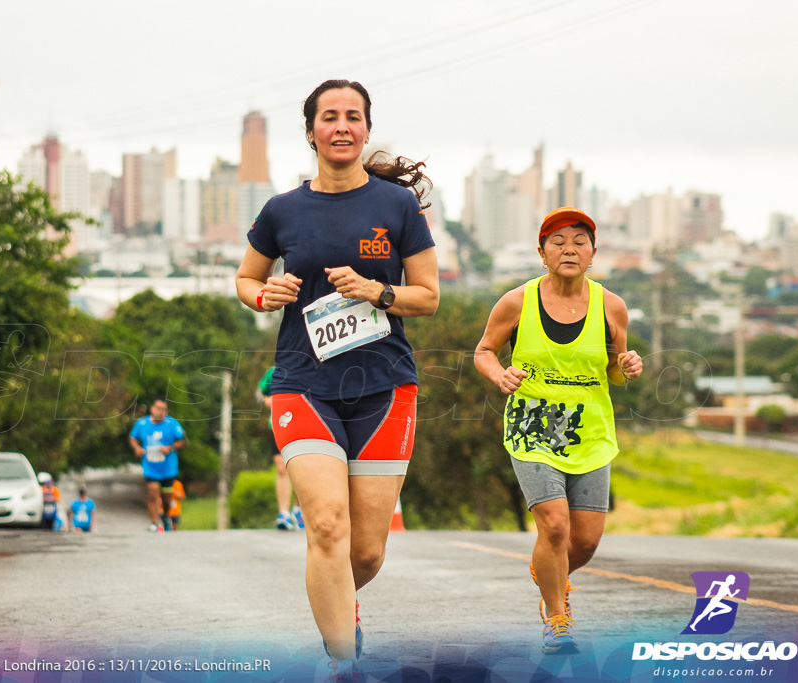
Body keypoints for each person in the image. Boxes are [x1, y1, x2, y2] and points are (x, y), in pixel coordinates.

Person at [235, 79, 439, 666]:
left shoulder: (397, 207)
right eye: (329, 117)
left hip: (383, 386)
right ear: (311, 132)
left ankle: (340, 604)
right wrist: (264, 294)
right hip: (303, 384)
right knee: (326, 527)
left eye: (353, 116)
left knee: (367, 552)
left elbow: (428, 297)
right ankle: (342, 664)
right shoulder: (282, 210)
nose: (342, 126)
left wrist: (378, 291)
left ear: (367, 129)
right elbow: (246, 279)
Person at [473, 206, 642, 655]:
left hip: (590, 431)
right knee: (554, 525)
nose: (569, 248)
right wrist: (499, 375)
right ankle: (557, 620)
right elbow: (485, 351)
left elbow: (616, 372)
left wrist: (628, 366)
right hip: (534, 428)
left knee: (583, 540)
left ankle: (548, 571)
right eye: (558, 241)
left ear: (593, 253)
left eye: (579, 241)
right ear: (542, 252)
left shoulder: (612, 306)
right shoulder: (516, 301)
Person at [129, 398, 187, 533]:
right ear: (152, 409)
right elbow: (133, 438)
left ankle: (166, 516)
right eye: (159, 408)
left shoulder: (172, 424)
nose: (161, 412)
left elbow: (183, 441)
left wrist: (170, 447)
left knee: (166, 499)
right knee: (152, 493)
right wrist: (137, 448)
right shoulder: (142, 423)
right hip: (150, 467)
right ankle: (154, 522)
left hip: (168, 468)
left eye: (164, 409)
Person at [258, 366, 302, 531]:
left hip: (301, 424)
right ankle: (283, 513)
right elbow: (262, 391)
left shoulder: (306, 367)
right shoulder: (273, 371)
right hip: (278, 424)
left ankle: (298, 510)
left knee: (298, 468)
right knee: (282, 468)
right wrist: (266, 399)